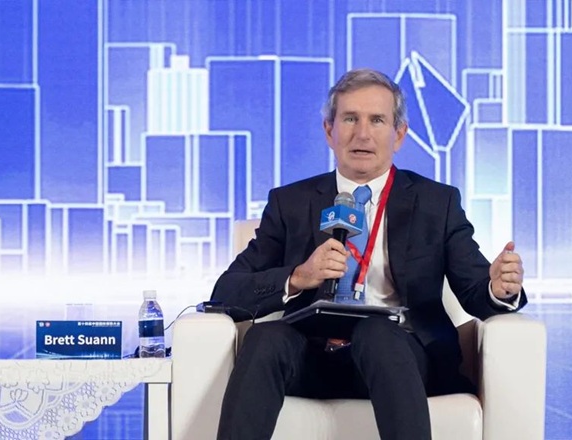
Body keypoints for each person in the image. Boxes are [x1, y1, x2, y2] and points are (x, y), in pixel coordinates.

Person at [211, 68, 526, 440]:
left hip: (400, 358)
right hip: (311, 356)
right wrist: (298, 277)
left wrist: (499, 288)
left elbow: (475, 290)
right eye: (350, 119)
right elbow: (226, 293)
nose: (362, 134)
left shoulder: (436, 203)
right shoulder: (290, 203)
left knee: (377, 333)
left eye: (377, 120)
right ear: (329, 130)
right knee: (266, 338)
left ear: (399, 134)